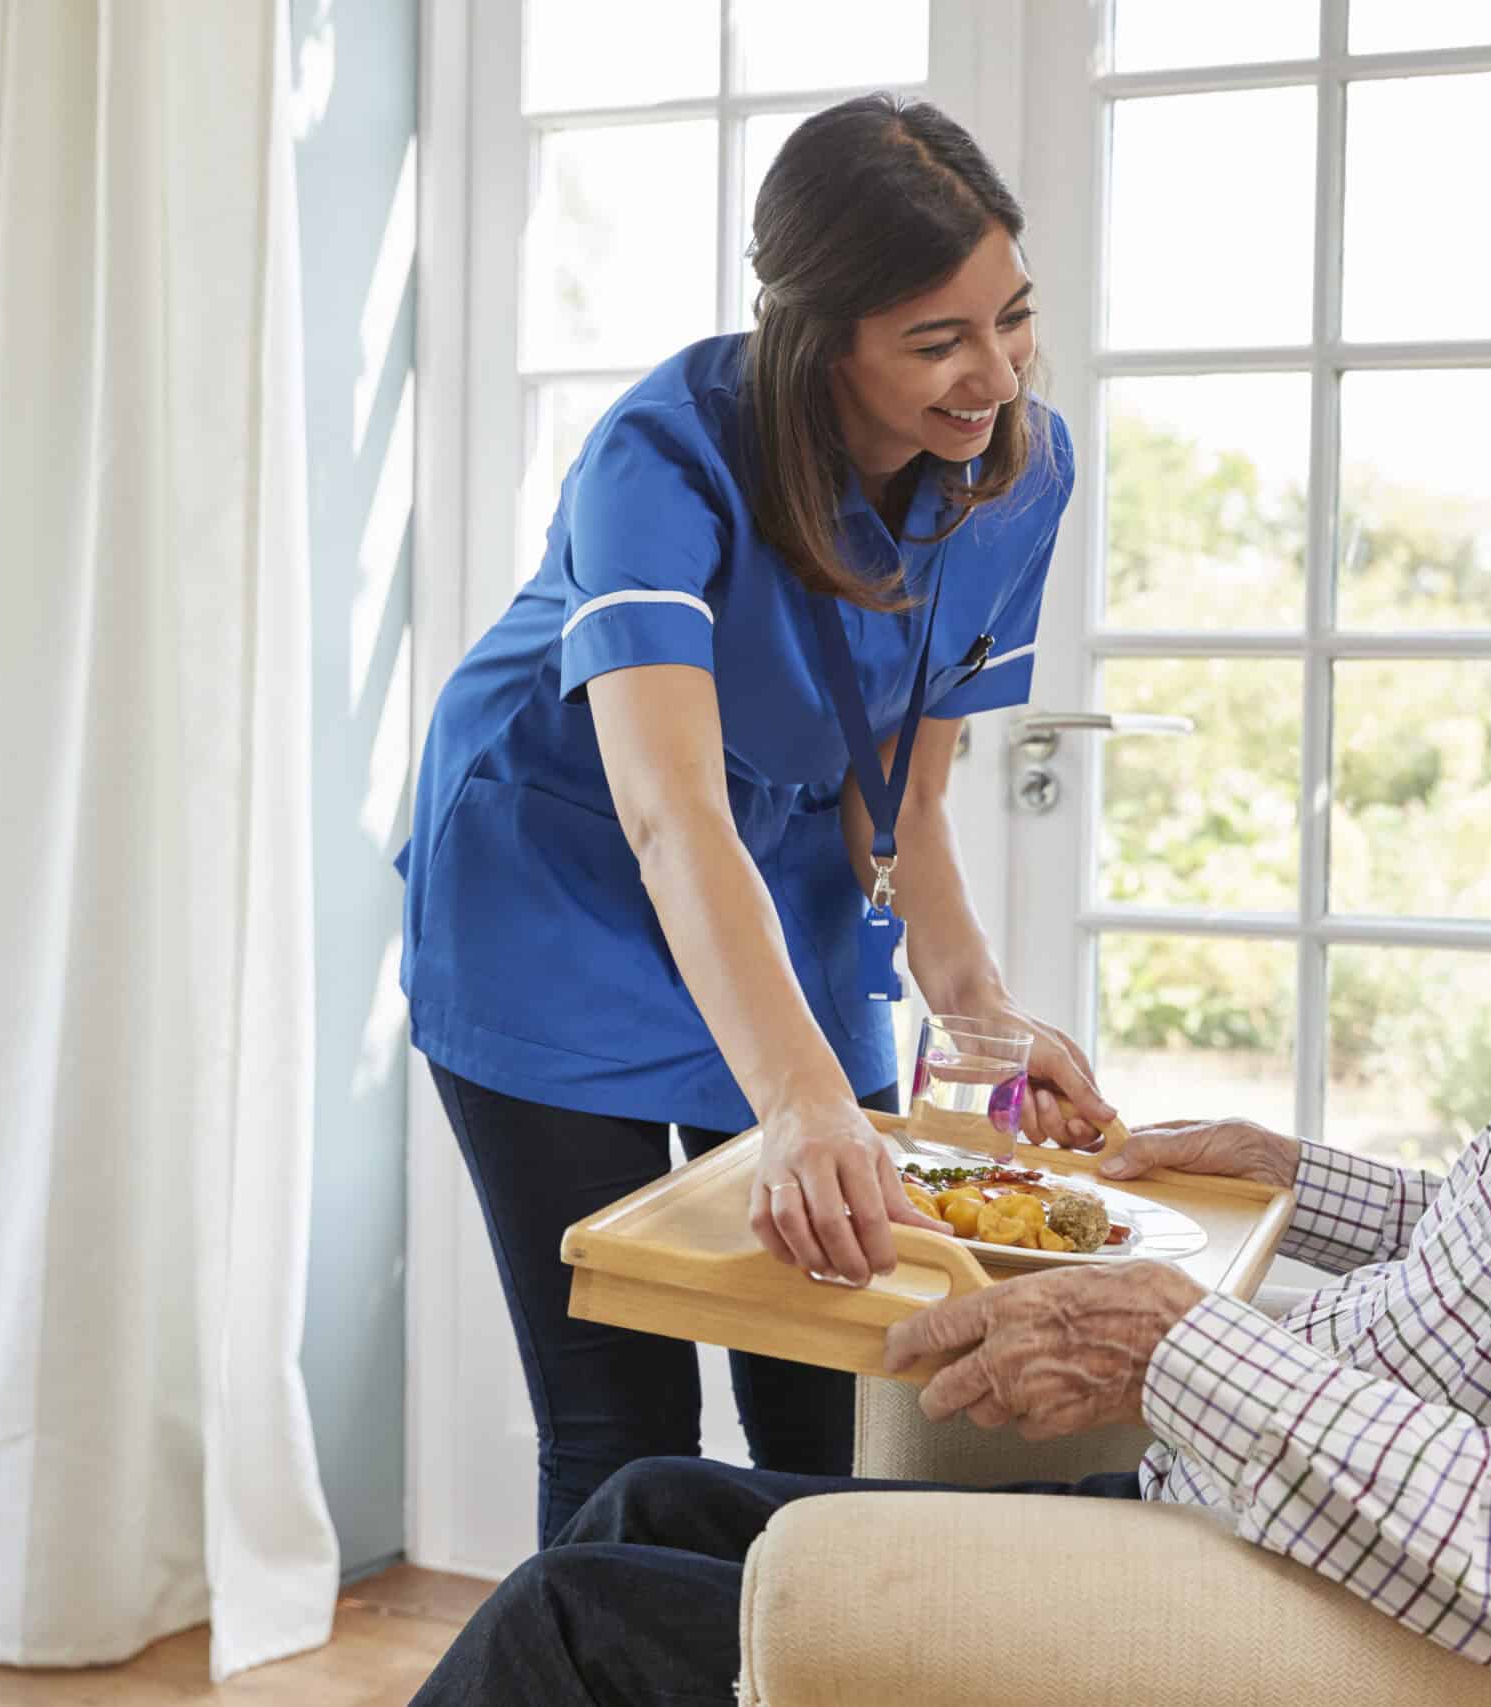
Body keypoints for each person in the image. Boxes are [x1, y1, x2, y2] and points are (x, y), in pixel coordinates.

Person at [406, 519, 1491, 1704]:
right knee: (641, 1503)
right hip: (1235, 1532)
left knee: (574, 1622)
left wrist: (1174, 1344)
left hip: (1260, 1615)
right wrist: (1296, 1175)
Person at [394, 94, 1117, 1545]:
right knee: (620, 1418)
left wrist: (981, 1015)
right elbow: (668, 819)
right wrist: (798, 1099)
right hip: (559, 873)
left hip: (779, 867)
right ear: (822, 335)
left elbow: (901, 791)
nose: (994, 375)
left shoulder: (1017, 473)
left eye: (1013, 318)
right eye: (937, 341)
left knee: (828, 1376)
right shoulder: (662, 456)